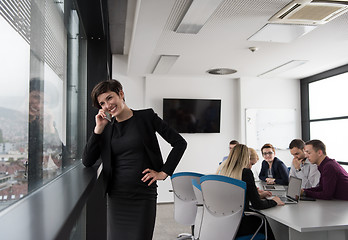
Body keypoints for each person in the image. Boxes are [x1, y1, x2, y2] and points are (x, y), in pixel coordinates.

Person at [82, 79, 187, 239]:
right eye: (102, 103)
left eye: (109, 98)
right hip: (116, 197)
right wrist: (98, 129)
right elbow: (87, 160)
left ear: (121, 94)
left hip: (143, 195)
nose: (107, 105)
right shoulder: (107, 128)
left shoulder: (146, 117)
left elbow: (180, 143)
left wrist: (164, 172)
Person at [216, 144, 284, 239]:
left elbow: (235, 198)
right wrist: (274, 201)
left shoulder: (222, 171)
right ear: (246, 158)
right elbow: (258, 205)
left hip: (223, 223)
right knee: (264, 220)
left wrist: (255, 194)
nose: (251, 167)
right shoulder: (246, 173)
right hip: (240, 224)